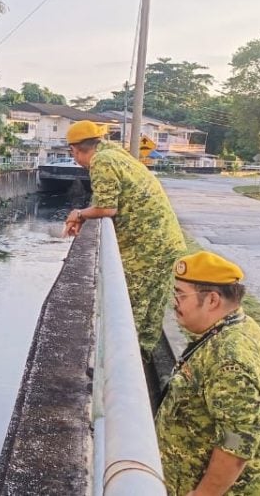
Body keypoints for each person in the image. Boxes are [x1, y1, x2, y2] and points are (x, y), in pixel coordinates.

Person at [156, 251, 260, 495]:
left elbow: (236, 446)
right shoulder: (237, 327)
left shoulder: (230, 360)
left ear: (212, 300)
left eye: (180, 294)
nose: (174, 301)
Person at [61, 120, 186, 360]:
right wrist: (86, 215)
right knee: (152, 306)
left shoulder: (102, 161)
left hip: (147, 246)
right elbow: (104, 201)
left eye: (73, 152)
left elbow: (107, 207)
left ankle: (127, 360)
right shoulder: (112, 152)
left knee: (130, 307)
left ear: (75, 150)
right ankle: (143, 356)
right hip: (162, 241)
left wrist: (78, 214)